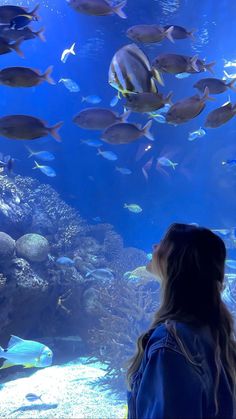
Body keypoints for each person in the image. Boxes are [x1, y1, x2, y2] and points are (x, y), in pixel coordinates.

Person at [126, 223, 236, 419]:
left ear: (175, 263)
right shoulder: (213, 332)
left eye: (162, 243)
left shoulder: (169, 344)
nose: (154, 247)